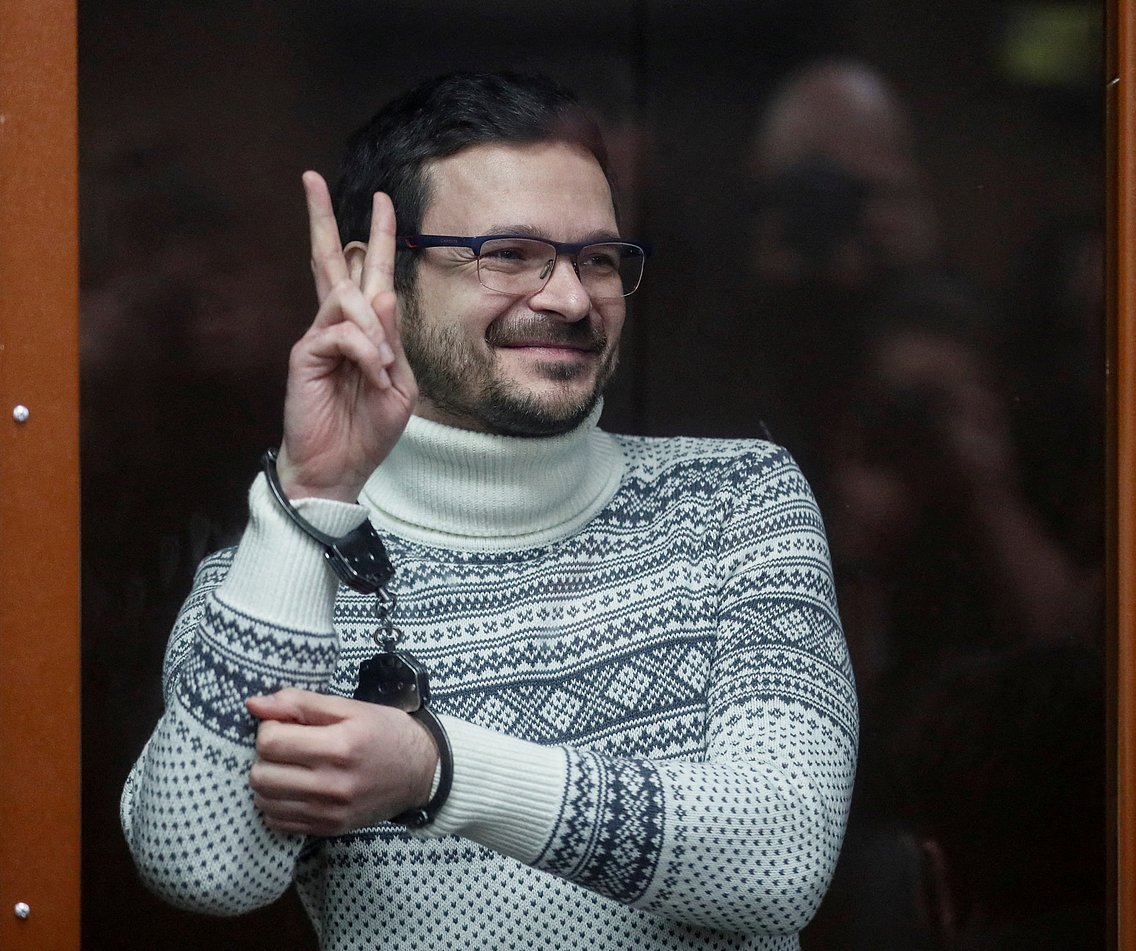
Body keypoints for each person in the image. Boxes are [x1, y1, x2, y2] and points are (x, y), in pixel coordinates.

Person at [121, 70, 858, 951]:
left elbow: (777, 861)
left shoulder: (735, 501)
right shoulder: (277, 577)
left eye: (597, 258)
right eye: (509, 253)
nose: (572, 299)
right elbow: (202, 868)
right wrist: (310, 497)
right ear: (374, 279)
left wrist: (434, 771)